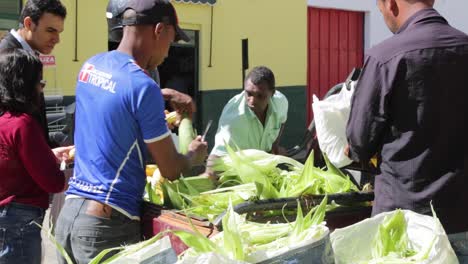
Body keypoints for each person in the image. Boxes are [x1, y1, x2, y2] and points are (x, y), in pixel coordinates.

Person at [54, 1, 207, 263]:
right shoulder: (143, 86)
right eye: (171, 42)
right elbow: (170, 169)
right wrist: (193, 155)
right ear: (159, 30)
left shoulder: (91, 67)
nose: (168, 54)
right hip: (106, 224)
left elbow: (115, 105)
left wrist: (161, 97)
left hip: (69, 215)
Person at [345, 0, 468, 260]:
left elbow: (359, 141)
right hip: (461, 219)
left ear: (390, 4)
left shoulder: (384, 56)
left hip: (404, 223)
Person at [0, 48, 71, 264]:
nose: (41, 88)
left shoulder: (5, 120)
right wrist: (70, 169)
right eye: (39, 81)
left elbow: (13, 161)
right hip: (19, 221)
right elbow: (53, 182)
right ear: (25, 84)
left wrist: (47, 154)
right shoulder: (23, 124)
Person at [0, 0, 67, 148]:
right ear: (29, 24)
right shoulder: (6, 58)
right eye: (50, 30)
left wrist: (48, 150)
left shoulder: (29, 55)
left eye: (59, 32)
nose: (57, 39)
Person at [205, 66, 288, 177]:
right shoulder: (234, 118)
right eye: (249, 93)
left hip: (264, 171)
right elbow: (218, 157)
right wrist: (209, 175)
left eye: (260, 96)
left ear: (272, 93)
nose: (252, 101)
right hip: (239, 175)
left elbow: (282, 121)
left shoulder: (280, 102)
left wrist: (275, 146)